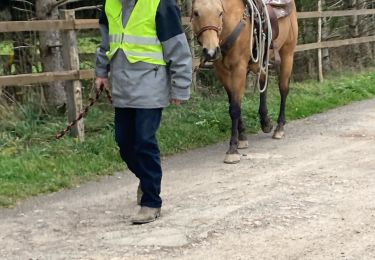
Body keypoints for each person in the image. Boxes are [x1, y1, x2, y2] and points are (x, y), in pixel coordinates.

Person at [95, 0, 192, 224]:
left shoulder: (160, 4)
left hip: (151, 84)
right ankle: (146, 178)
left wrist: (181, 86)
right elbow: (105, 43)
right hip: (122, 87)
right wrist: (101, 72)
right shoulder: (111, 5)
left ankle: (151, 202)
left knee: (144, 141)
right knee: (124, 142)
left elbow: (178, 49)